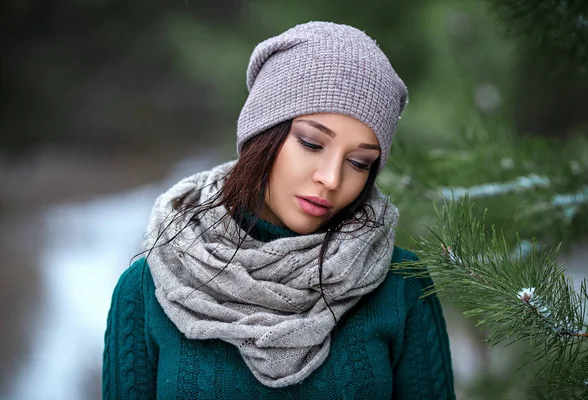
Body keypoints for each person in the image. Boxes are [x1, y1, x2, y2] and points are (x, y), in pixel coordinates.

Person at [103, 21, 455, 399]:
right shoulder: (149, 288)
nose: (331, 178)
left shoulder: (401, 287)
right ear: (263, 132)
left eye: (359, 163)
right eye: (311, 143)